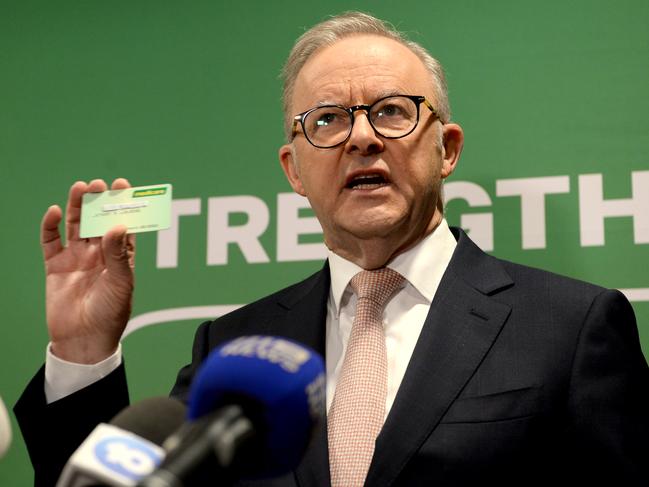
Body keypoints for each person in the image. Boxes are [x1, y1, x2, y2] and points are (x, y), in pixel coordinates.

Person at [15, 11, 649, 487]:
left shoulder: (570, 327)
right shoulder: (237, 348)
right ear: (293, 169)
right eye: (327, 120)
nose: (362, 138)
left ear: (447, 148)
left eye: (393, 111)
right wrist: (83, 350)